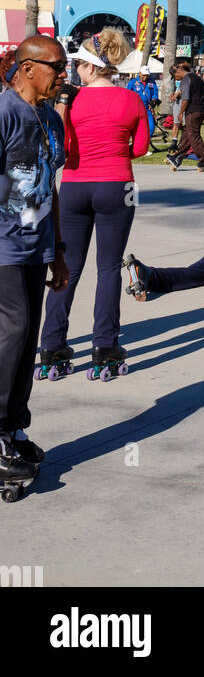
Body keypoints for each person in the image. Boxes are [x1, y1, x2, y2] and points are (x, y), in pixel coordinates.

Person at [39, 29, 150, 379]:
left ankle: (52, 345)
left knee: (66, 267)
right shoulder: (132, 100)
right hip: (118, 185)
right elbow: (141, 148)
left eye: (77, 64)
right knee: (108, 268)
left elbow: (62, 147)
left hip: (74, 185)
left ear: (88, 67)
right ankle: (104, 345)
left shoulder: (71, 101)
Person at [0, 36, 69, 489]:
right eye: (55, 68)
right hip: (2, 248)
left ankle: (13, 428)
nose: (63, 76)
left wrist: (58, 252)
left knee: (27, 343)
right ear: (26, 68)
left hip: (35, 246)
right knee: (14, 331)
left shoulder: (50, 118)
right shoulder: (4, 113)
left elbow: (51, 187)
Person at [165, 60, 204, 173]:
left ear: (177, 72)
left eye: (175, 76)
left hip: (192, 110)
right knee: (188, 133)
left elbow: (185, 99)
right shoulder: (197, 77)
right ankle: (178, 157)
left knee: (193, 135)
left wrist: (181, 112)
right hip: (201, 109)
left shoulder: (185, 80)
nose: (176, 79)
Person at [126, 64, 160, 144]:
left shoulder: (152, 81)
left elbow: (155, 91)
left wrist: (154, 100)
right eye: (144, 75)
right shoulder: (133, 82)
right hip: (135, 108)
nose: (145, 77)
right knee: (134, 126)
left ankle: (143, 143)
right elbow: (127, 93)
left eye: (147, 75)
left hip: (147, 108)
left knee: (151, 127)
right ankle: (136, 142)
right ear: (140, 73)